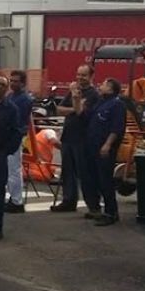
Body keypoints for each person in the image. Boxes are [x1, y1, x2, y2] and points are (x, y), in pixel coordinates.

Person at [50, 65, 101, 213]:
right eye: (78, 74)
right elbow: (60, 109)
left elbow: (81, 113)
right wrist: (74, 106)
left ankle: (93, 206)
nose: (79, 78)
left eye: (83, 75)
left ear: (91, 77)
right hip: (68, 137)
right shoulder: (74, 92)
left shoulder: (93, 94)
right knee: (67, 171)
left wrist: (74, 102)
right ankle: (68, 201)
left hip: (83, 139)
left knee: (85, 173)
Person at [85, 78, 127, 226]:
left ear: (110, 88)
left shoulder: (117, 105)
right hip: (93, 145)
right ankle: (100, 209)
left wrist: (108, 144)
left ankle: (111, 212)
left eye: (103, 84)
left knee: (105, 180)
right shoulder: (101, 102)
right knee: (95, 178)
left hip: (105, 148)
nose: (100, 86)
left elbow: (117, 128)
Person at [0, 76, 24, 242]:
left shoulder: (11, 108)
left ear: (7, 88)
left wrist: (6, 150)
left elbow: (17, 132)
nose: (0, 87)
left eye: (3, 85)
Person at [5, 70, 35, 214]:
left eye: (15, 81)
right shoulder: (11, 96)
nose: (12, 83)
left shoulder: (24, 99)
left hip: (15, 136)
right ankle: (13, 197)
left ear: (22, 83)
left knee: (14, 169)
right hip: (8, 135)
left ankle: (17, 200)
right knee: (10, 169)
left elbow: (19, 120)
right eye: (11, 80)